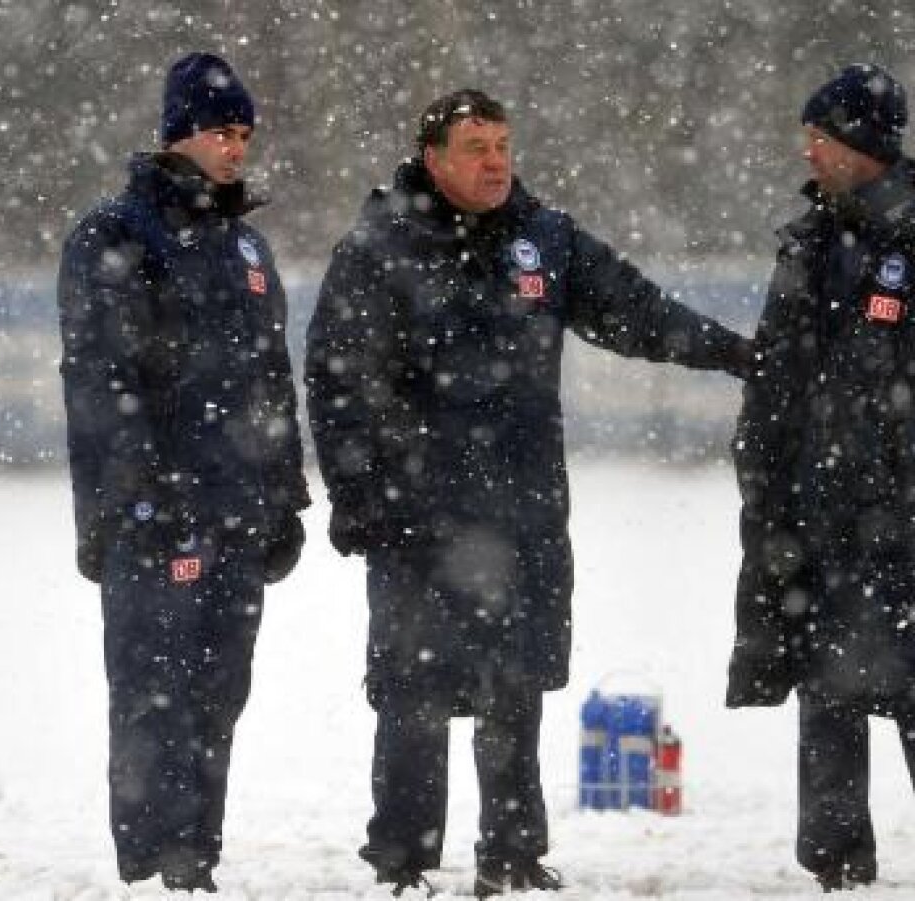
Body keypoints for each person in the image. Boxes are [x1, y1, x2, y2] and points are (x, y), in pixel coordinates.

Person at [305, 89, 752, 897]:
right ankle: (402, 858)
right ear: (433, 158)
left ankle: (511, 854)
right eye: (476, 147)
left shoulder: (542, 239)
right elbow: (338, 380)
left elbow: (635, 309)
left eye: (504, 144)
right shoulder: (380, 246)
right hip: (419, 514)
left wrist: (731, 352)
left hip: (522, 511)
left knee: (515, 684)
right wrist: (359, 492)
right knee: (415, 692)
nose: (496, 161)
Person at [724, 64, 915, 896]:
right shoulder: (808, 240)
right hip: (818, 514)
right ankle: (837, 865)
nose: (807, 150)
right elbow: (777, 372)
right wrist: (769, 466)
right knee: (826, 685)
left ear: (860, 144)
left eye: (820, 135)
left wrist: (897, 453)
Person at [57, 52, 310, 892]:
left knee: (217, 696)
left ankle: (194, 858)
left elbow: (272, 378)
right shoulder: (117, 234)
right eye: (218, 131)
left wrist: (285, 497)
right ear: (176, 135)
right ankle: (156, 862)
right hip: (154, 516)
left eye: (243, 133)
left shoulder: (246, 244)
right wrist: (136, 499)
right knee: (152, 698)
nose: (235, 148)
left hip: (238, 513)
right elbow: (101, 381)